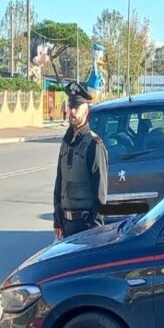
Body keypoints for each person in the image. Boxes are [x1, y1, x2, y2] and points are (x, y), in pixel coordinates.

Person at [53, 81, 107, 239]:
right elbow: (59, 182)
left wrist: (95, 227)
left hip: (85, 226)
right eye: (71, 107)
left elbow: (100, 191)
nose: (73, 111)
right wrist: (57, 220)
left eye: (77, 107)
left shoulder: (94, 144)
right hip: (65, 224)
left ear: (87, 111)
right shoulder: (66, 142)